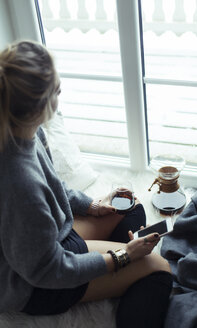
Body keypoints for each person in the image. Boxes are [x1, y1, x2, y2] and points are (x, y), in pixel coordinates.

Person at [0, 40, 172, 327]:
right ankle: (119, 276)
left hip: (48, 242)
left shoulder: (24, 131)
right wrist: (121, 257)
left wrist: (92, 206)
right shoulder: (19, 184)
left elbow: (53, 186)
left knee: (129, 208)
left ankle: (113, 277)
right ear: (41, 104)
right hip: (35, 284)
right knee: (159, 269)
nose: (61, 92)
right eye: (57, 90)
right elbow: (48, 270)